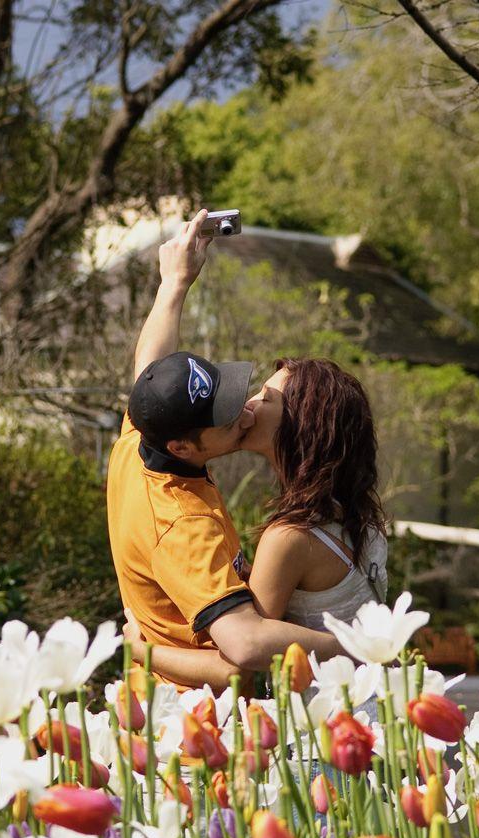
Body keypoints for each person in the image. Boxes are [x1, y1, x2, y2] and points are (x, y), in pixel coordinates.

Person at [107, 210, 343, 693]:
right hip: (188, 729)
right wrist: (360, 643)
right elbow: (244, 648)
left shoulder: (140, 438)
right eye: (224, 417)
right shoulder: (184, 526)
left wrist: (174, 282)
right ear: (181, 445)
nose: (243, 413)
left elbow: (149, 367)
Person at [123, 355, 389, 676]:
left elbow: (242, 657)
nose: (247, 406)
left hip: (330, 712)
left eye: (265, 397)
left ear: (299, 426)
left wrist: (139, 651)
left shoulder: (290, 537)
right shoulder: (363, 517)